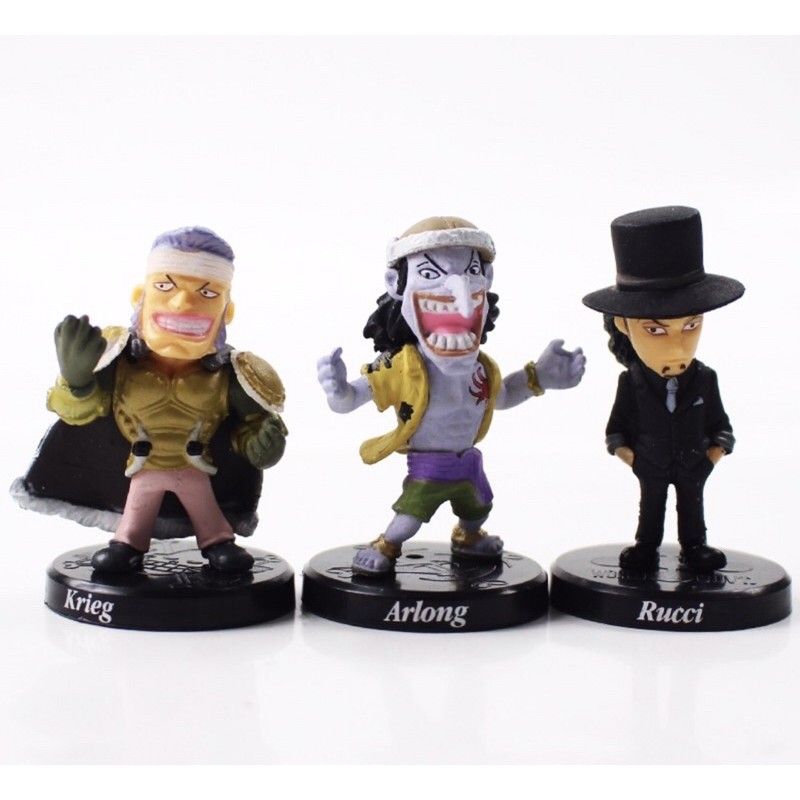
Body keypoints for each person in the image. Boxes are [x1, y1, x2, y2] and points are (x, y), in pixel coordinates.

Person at [317, 216, 585, 576]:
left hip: (469, 461)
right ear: (396, 284)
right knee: (410, 517)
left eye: (472, 272)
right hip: (430, 465)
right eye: (430, 273)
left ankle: (467, 537)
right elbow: (349, 401)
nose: (458, 291)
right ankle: (386, 545)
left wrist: (539, 377)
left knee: (478, 508)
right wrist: (337, 388)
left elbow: (504, 396)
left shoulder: (482, 367)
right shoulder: (402, 367)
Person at [14, 227, 286, 574]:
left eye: (206, 292)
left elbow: (254, 428)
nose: (183, 303)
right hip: (140, 463)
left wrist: (263, 443)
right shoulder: (116, 360)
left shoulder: (232, 375)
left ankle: (218, 544)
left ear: (227, 311)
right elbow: (79, 414)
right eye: (165, 286)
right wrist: (78, 381)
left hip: (196, 463)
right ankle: (127, 546)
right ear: (139, 296)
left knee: (203, 504)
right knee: (138, 506)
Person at [583, 206, 744, 572]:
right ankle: (646, 547)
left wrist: (712, 455)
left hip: (694, 463)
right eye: (655, 330)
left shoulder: (705, 379)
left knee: (693, 507)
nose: (678, 347)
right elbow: (615, 429)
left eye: (691, 325)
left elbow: (721, 424)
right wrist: (632, 457)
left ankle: (695, 547)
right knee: (650, 506)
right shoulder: (631, 382)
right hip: (650, 463)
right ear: (623, 324)